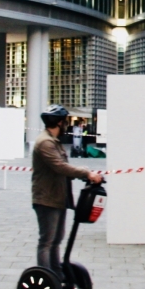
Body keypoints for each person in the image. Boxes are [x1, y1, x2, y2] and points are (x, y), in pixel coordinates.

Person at [33, 105, 103, 278]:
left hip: (57, 197)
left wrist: (85, 172)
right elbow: (59, 166)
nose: (66, 125)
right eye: (65, 121)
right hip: (46, 199)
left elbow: (64, 168)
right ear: (58, 122)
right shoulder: (45, 143)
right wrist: (86, 173)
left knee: (56, 241)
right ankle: (46, 278)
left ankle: (57, 277)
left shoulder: (54, 142)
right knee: (47, 241)